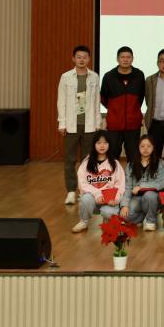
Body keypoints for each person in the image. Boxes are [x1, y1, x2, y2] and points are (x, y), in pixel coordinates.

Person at [57, 45, 100, 206]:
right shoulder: (66, 77)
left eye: (85, 57)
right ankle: (71, 191)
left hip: (89, 125)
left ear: (89, 59)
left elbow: (96, 101)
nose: (82, 60)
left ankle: (85, 190)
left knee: (87, 160)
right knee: (70, 159)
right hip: (71, 125)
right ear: (73, 58)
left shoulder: (94, 77)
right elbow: (61, 100)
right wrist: (62, 123)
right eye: (79, 57)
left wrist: (97, 123)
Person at [72, 130, 125, 233]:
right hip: (93, 198)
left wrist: (116, 198)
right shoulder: (86, 163)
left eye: (105, 143)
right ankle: (83, 222)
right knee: (86, 199)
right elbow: (83, 184)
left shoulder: (114, 164)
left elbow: (120, 184)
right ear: (94, 145)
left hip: (109, 200)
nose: (102, 146)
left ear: (109, 145)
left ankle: (107, 220)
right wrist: (97, 194)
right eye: (99, 143)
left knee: (108, 212)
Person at [100, 46, 145, 161]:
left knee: (134, 156)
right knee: (112, 155)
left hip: (133, 124)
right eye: (122, 57)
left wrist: (133, 110)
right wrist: (114, 110)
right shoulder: (109, 76)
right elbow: (103, 98)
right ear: (117, 59)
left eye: (128, 57)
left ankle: (132, 174)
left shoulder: (139, 75)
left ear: (132, 59)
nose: (125, 59)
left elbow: (141, 97)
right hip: (114, 124)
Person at [122, 134, 164, 231]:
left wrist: (141, 187)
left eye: (149, 146)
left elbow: (160, 184)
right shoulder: (131, 165)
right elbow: (128, 187)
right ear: (138, 148)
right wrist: (124, 205)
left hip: (153, 197)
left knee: (149, 195)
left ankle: (151, 221)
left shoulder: (160, 164)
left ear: (153, 148)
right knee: (125, 217)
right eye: (142, 146)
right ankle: (144, 216)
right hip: (136, 198)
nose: (145, 149)